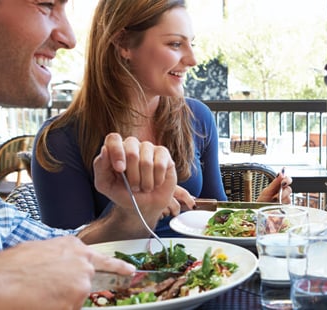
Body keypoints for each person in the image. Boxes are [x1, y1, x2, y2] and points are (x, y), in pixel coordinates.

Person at [32, 0, 292, 237]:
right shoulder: (59, 140)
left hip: (202, 277)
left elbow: (213, 221)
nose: (192, 59)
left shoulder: (197, 118)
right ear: (123, 44)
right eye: (175, 44)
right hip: (122, 286)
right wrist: (136, 210)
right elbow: (66, 258)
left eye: (192, 43)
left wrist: (257, 215)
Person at [0, 0, 180, 308]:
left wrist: (134, 211)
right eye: (45, 4)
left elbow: (57, 251)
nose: (69, 37)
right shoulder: (62, 136)